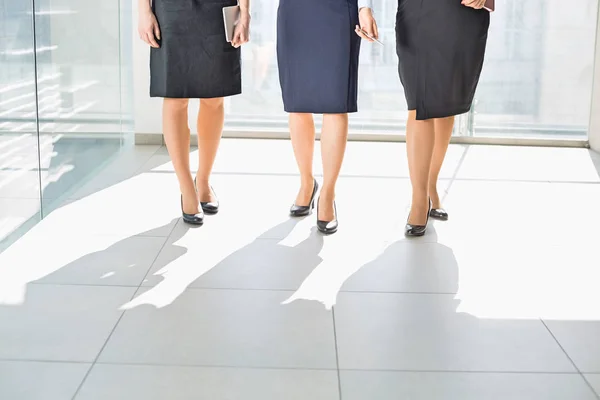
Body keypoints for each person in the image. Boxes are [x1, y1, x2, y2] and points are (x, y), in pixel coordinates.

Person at [138, 0, 250, 225]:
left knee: (214, 95)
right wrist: (143, 10)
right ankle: (186, 186)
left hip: (217, 7)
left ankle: (204, 180)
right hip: (171, 9)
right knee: (175, 96)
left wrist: (245, 12)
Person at [277, 0, 378, 235]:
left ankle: (328, 193)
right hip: (295, 11)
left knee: (335, 102)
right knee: (297, 103)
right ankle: (306, 183)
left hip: (339, 9)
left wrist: (364, 6)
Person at [396, 0, 490, 236]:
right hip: (417, 11)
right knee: (419, 104)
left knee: (445, 105)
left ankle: (430, 185)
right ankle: (419, 199)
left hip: (462, 12)